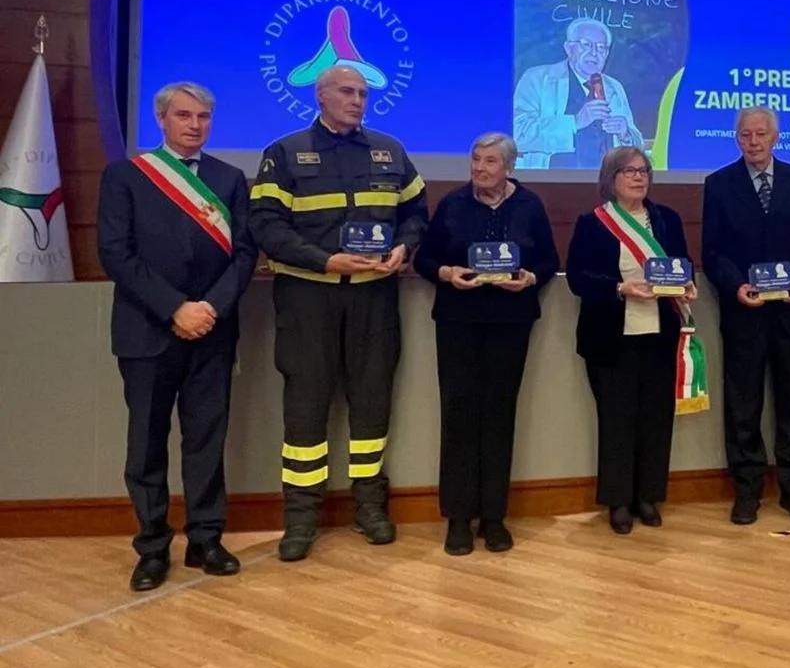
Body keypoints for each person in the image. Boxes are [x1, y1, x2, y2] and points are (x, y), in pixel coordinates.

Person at [248, 65, 428, 562]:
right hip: (308, 298)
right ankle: (301, 519)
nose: (357, 100)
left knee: (372, 401)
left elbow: (416, 213)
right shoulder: (284, 153)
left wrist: (404, 247)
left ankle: (369, 507)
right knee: (305, 407)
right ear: (321, 96)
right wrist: (324, 260)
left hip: (374, 299)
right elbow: (265, 225)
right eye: (347, 92)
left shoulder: (390, 151)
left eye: (363, 93)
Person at [97, 82, 258, 592]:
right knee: (146, 443)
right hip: (148, 330)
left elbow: (245, 254)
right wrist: (175, 308)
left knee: (206, 440)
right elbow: (115, 253)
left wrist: (209, 308)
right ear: (161, 120)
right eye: (184, 115)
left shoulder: (229, 178)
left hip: (212, 330)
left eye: (203, 116)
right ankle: (151, 547)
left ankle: (206, 540)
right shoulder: (126, 176)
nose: (195, 125)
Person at [414, 133, 559, 556]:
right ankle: (458, 518)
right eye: (476, 159)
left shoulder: (529, 205)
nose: (480, 168)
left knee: (499, 415)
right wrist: (447, 273)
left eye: (490, 161)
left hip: (510, 322)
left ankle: (494, 517)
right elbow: (424, 259)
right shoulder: (452, 204)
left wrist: (530, 278)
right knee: (459, 416)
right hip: (459, 321)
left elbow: (549, 259)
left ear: (509, 167)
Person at [566, 147, 694, 535]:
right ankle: (618, 501)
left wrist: (686, 286)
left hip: (659, 334)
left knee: (655, 418)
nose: (638, 177)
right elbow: (578, 278)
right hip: (611, 336)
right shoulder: (593, 222)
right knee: (617, 420)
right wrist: (621, 288)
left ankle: (648, 497)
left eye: (643, 171)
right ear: (611, 178)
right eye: (629, 171)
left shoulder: (668, 220)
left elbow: (681, 267)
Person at [702, 107, 790, 525]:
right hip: (744, 312)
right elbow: (712, 252)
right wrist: (736, 285)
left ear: (775, 138)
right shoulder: (718, 183)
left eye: (761, 134)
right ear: (737, 139)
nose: (753, 142)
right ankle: (747, 490)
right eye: (745, 135)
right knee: (743, 405)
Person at [512, 18, 643, 169]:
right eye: (586, 45)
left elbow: (638, 148)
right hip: (551, 180)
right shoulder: (538, 79)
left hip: (605, 180)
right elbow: (517, 134)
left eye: (601, 47)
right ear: (569, 49)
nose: (594, 53)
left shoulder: (614, 87)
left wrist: (625, 134)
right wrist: (575, 122)